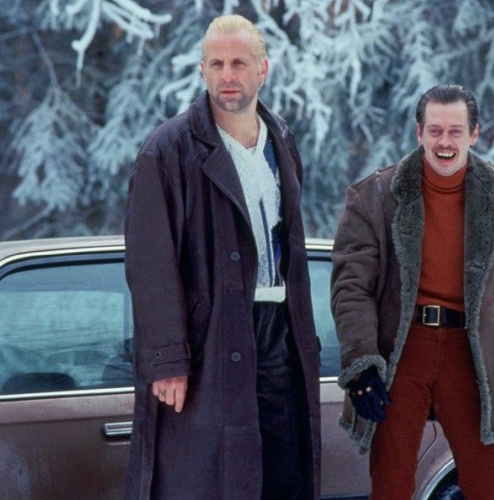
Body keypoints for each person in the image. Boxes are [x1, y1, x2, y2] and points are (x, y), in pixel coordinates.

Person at [123, 14, 320, 500]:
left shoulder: (281, 140)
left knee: (282, 473)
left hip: (280, 333)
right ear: (202, 70)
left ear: (263, 70)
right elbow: (149, 263)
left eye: (238, 63)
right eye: (216, 64)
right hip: (210, 338)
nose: (226, 75)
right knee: (212, 479)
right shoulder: (167, 150)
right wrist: (168, 358)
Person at [330, 84, 494, 500]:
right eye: (435, 131)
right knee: (391, 486)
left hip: (470, 354)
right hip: (400, 353)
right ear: (419, 133)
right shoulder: (375, 196)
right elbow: (350, 288)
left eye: (455, 131)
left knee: (491, 486)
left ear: (474, 134)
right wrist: (361, 365)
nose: (444, 142)